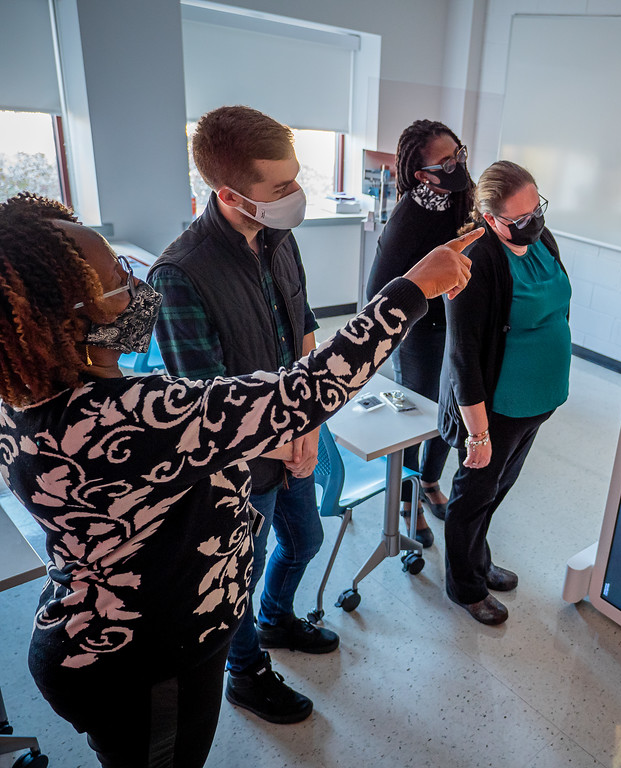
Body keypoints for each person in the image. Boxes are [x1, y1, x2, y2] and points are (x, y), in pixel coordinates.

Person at [0, 191, 475, 766]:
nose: (135, 282)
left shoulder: (22, 399)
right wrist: (413, 287)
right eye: (116, 280)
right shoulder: (137, 416)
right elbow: (307, 390)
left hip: (93, 642)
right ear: (70, 318)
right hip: (148, 661)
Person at [150, 105, 333, 723]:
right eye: (281, 187)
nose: (297, 194)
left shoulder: (280, 238)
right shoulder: (180, 274)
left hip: (295, 437)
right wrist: (285, 440)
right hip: (239, 467)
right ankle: (245, 671)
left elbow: (304, 329)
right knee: (237, 579)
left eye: (295, 177)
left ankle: (277, 620)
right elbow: (206, 402)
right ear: (229, 194)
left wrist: (308, 424)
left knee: (305, 540)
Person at [439, 160, 572, 625]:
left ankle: (479, 560)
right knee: (473, 497)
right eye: (521, 217)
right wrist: (478, 434)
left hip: (536, 403)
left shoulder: (541, 241)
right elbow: (463, 356)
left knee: (496, 490)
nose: (534, 221)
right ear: (490, 218)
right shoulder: (475, 261)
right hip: (496, 409)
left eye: (538, 208)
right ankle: (466, 586)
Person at [366, 119, 476, 546]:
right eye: (446, 163)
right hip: (419, 331)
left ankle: (430, 481)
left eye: (459, 154)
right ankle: (407, 498)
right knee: (416, 416)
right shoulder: (409, 216)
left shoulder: (464, 197)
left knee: (451, 411)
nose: (457, 165)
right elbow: (378, 291)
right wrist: (427, 290)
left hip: (456, 324)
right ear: (422, 175)